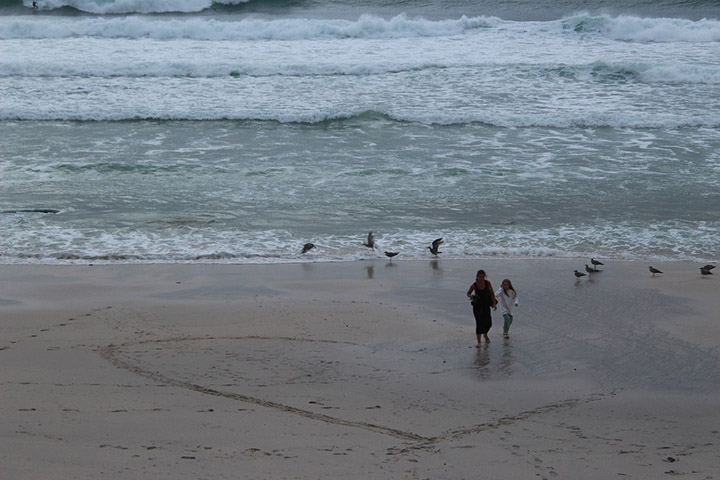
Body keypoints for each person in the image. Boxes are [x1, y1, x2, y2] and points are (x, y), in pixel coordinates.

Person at [466, 270, 497, 346]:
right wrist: (472, 296)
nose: (481, 279)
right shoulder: (474, 285)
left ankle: (485, 334)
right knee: (479, 323)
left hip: (486, 305)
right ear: (477, 277)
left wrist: (494, 303)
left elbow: (492, 293)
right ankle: (479, 342)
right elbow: (468, 293)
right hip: (477, 306)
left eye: (483, 277)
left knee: (488, 323)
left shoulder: (487, 283)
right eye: (480, 277)